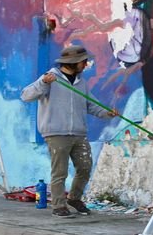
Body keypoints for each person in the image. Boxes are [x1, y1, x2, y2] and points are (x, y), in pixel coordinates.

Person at [21, 45, 118, 218]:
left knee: (85, 167)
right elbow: (26, 95)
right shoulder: (50, 78)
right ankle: (58, 205)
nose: (86, 64)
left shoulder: (82, 82)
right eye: (83, 61)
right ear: (73, 63)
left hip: (79, 133)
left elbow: (91, 105)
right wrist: (43, 83)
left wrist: (106, 113)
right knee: (60, 172)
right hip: (56, 132)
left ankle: (74, 198)